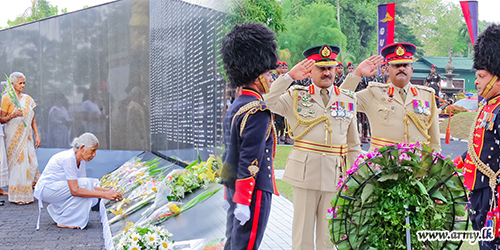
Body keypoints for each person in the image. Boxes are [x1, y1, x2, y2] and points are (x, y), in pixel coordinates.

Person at [264, 44, 363, 250]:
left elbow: (353, 144)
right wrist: (289, 77)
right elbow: (268, 101)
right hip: (305, 172)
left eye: (331, 68)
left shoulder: (346, 98)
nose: (327, 72)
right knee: (303, 234)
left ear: (336, 69)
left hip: (335, 174)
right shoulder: (296, 96)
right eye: (321, 68)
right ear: (311, 71)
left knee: (329, 235)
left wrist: (355, 177)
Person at [220, 23, 296, 250]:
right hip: (252, 192)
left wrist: (227, 192)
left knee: (234, 243)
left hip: (236, 187)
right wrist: (243, 201)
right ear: (257, 78)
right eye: (269, 75)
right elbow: (250, 159)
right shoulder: (257, 110)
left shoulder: (237, 106)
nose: (271, 79)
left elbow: (229, 154)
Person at [341, 43, 441, 152]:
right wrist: (357, 73)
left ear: (411, 70)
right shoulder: (374, 93)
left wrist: (433, 165)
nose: (401, 68)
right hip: (383, 165)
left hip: (418, 166)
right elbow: (341, 100)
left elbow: (435, 141)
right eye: (396, 66)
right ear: (387, 70)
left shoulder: (426, 95)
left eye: (405, 65)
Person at [453, 24, 500, 249]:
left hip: (494, 194)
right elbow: (476, 147)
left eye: (481, 76)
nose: (477, 81)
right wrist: (456, 163)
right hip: (478, 191)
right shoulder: (486, 106)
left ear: (497, 79)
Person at [34, 133, 122, 229]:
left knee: (87, 188)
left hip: (55, 189)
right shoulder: (68, 158)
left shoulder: (81, 160)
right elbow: (76, 190)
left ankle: (63, 215)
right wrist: (104, 195)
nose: (94, 155)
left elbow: (83, 187)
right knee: (85, 186)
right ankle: (65, 220)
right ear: (82, 148)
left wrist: (107, 191)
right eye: (93, 151)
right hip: (47, 189)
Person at [0, 72, 41, 204]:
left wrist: (37, 134)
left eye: (24, 83)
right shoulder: (7, 99)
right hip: (13, 138)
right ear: (12, 84)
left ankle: (27, 191)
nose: (23, 85)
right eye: (20, 83)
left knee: (32, 163)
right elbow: (1, 119)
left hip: (27, 137)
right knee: (18, 165)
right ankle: (18, 195)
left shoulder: (28, 99)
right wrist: (12, 115)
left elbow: (33, 118)